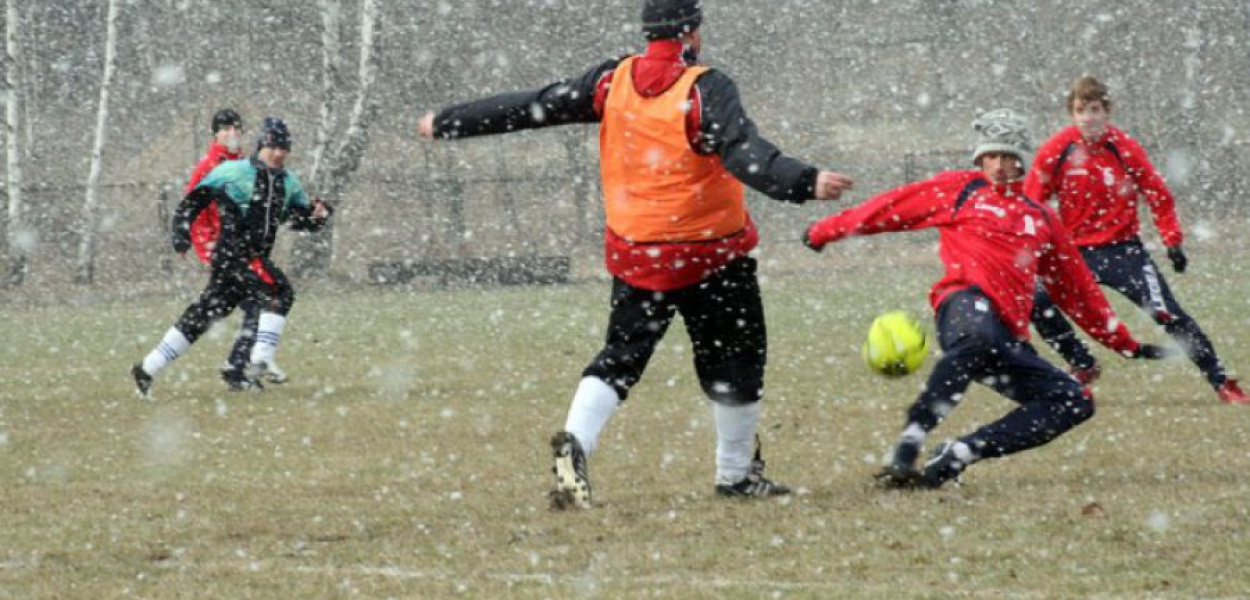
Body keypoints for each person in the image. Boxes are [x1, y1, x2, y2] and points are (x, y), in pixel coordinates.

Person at [416, 0, 854, 508]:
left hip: (639, 255)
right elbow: (742, 150)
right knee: (736, 361)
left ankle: (576, 445)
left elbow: (532, 104)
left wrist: (451, 122)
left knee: (619, 359)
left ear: (649, 33)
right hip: (710, 254)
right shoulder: (706, 87)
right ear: (692, 33)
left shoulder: (611, 81)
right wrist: (803, 181)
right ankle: (735, 475)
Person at [804, 109, 1166, 488]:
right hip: (963, 305)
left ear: (1021, 161)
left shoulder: (1040, 217)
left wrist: (1122, 342)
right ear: (980, 158)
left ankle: (959, 454)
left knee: (1074, 402)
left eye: (1008, 157)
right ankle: (910, 441)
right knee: (978, 332)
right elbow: (890, 208)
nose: (998, 164)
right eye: (991, 156)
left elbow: (1078, 291)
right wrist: (822, 232)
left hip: (1006, 337)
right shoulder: (961, 190)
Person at [1024, 75, 1246, 405]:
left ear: (1107, 111)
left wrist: (1172, 239)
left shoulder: (1124, 148)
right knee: (1033, 298)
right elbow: (1032, 201)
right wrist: (1031, 247)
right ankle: (1082, 364)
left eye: (1095, 109)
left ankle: (1223, 383)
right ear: (1072, 113)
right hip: (1073, 255)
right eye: (1080, 110)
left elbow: (1158, 194)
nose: (1088, 117)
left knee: (1169, 315)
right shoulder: (1057, 149)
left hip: (1124, 252)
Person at [132, 117, 332, 399]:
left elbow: (299, 219)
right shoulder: (233, 172)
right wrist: (180, 232)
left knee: (203, 315)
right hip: (235, 254)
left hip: (247, 259)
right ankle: (259, 360)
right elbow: (193, 200)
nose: (279, 153)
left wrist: (319, 215)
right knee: (278, 291)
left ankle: (147, 368)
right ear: (262, 144)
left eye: (284, 147)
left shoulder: (289, 182)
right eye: (273, 146)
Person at [184, 109, 289, 391]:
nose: (232, 134)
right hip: (226, 253)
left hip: (241, 252)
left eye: (237, 128)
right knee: (259, 303)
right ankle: (244, 365)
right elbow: (194, 209)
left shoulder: (246, 164)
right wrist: (208, 249)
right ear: (215, 134)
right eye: (226, 129)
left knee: (223, 308)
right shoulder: (208, 166)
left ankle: (245, 363)